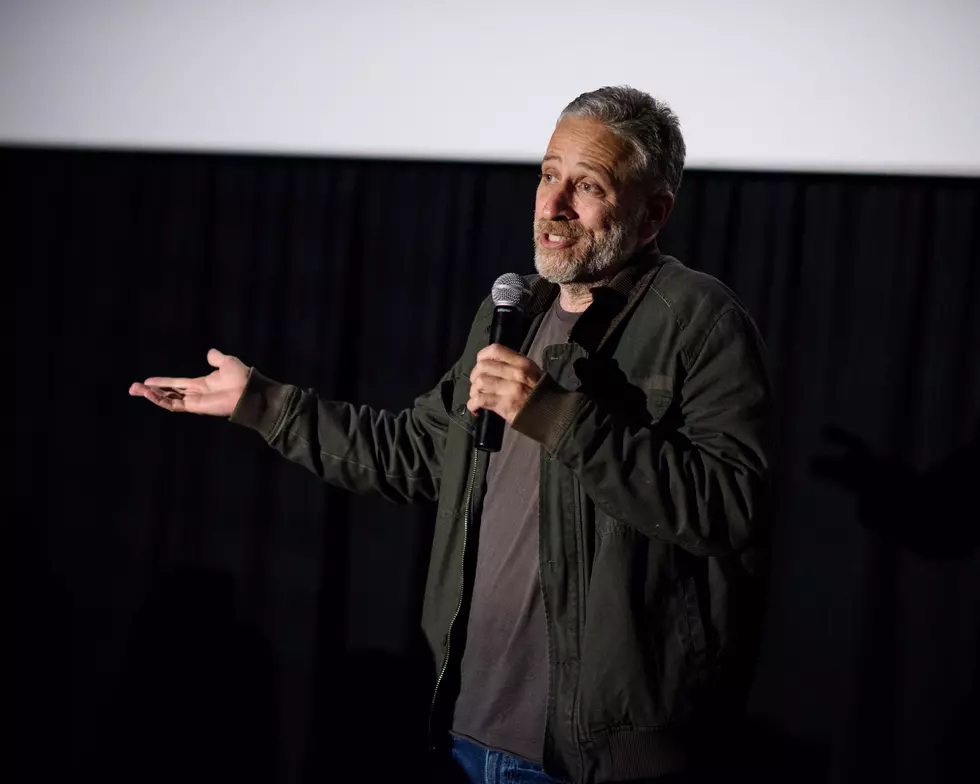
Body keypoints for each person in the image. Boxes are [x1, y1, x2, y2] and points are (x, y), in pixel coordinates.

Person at [130, 86, 772, 783]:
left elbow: (732, 508)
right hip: (468, 738)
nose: (552, 206)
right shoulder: (514, 314)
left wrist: (558, 416)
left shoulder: (699, 321)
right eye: (549, 174)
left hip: (597, 760)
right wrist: (264, 404)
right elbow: (416, 455)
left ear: (653, 215)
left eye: (586, 186)